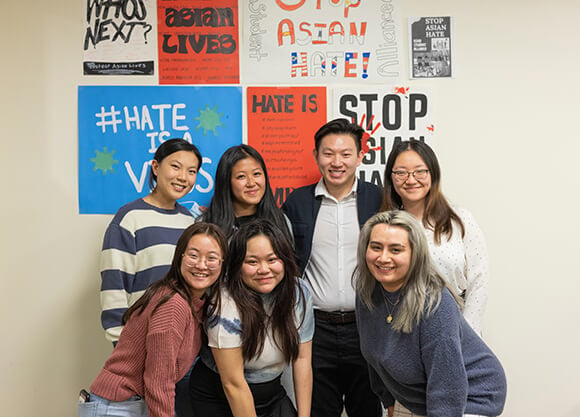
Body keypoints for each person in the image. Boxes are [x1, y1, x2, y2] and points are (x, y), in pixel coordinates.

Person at [354, 210, 507, 417]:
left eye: (396, 250)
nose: (383, 257)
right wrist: (387, 400)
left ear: (415, 254)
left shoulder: (434, 304)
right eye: (376, 247)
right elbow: (375, 355)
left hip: (472, 397)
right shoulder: (368, 293)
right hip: (419, 398)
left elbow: (447, 385)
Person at [282, 118, 382, 417]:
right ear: (316, 156)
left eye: (345, 154)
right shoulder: (298, 202)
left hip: (368, 326)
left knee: (367, 409)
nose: (336, 162)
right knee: (318, 409)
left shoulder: (378, 198)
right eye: (328, 153)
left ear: (360, 157)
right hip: (315, 329)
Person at [79, 222, 228, 417]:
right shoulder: (173, 304)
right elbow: (159, 380)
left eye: (212, 258)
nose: (201, 265)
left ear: (222, 263)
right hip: (116, 407)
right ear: (180, 257)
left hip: (132, 404)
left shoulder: (197, 303)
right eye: (193, 255)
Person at [99, 138, 202, 417]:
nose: (183, 177)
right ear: (156, 167)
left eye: (192, 171)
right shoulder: (129, 218)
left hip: (182, 355)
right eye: (176, 167)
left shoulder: (190, 223)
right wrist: (125, 347)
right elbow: (113, 288)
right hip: (141, 352)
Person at [190, 220, 314, 417]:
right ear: (237, 266)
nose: (264, 270)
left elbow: (302, 359)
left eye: (272, 259)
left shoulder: (299, 292)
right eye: (252, 262)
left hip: (272, 394)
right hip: (221, 396)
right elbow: (233, 384)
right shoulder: (224, 302)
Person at [381, 140, 489, 333]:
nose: (411, 179)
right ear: (391, 178)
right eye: (401, 172)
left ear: (433, 174)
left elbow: (478, 280)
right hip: (402, 328)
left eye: (420, 171)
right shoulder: (384, 228)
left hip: (456, 325)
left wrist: (467, 333)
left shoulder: (460, 219)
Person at [199, 144, 291, 241]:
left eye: (256, 174)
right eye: (241, 176)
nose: (251, 183)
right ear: (226, 181)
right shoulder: (207, 224)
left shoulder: (280, 220)